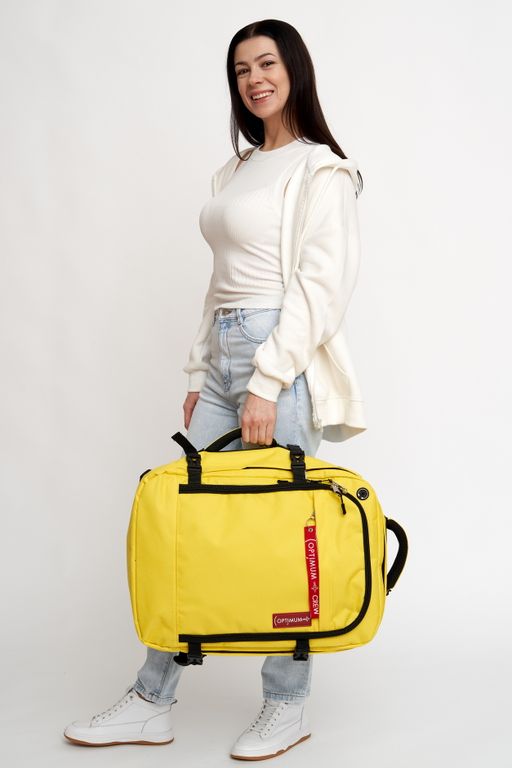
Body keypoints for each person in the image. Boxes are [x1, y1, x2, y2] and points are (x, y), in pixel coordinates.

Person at [64, 18, 366, 761]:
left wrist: (268, 378)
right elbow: (220, 282)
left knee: (285, 536)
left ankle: (286, 706)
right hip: (228, 356)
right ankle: (152, 702)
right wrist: (202, 373)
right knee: (184, 527)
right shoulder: (234, 171)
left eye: (267, 64)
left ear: (294, 70)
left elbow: (321, 289)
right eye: (241, 70)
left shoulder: (323, 170)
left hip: (278, 362)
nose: (254, 79)